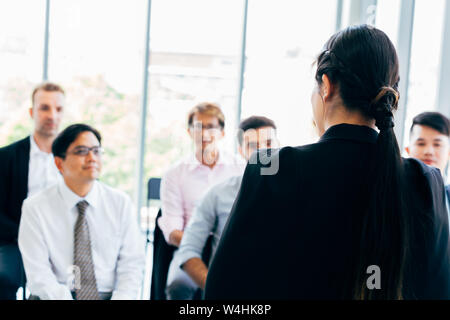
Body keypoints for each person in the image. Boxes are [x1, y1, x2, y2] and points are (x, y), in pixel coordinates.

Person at [204, 25, 450, 300]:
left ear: (326, 86)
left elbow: (223, 290)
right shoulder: (425, 181)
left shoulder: (270, 169)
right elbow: (438, 289)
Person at [18, 124, 145, 300]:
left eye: (96, 151)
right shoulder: (35, 208)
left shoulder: (120, 203)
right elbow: (39, 276)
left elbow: (132, 265)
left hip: (108, 295)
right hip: (55, 296)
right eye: (82, 151)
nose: (92, 158)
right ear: (59, 163)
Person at [175, 116, 278, 298]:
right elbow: (188, 251)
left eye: (268, 143)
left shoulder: (297, 192)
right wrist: (217, 288)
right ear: (241, 151)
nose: (263, 151)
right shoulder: (217, 194)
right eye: (253, 146)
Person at [159, 102, 245, 300]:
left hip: (229, 249)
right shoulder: (175, 174)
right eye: (198, 127)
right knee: (177, 284)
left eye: (211, 127)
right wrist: (197, 242)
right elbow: (172, 229)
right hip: (190, 247)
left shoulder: (241, 169)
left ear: (222, 132)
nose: (204, 133)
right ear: (189, 132)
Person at [0, 82, 65, 300]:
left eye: (58, 109)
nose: (52, 115)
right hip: (16, 240)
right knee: (3, 276)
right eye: (44, 108)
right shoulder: (6, 157)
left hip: (62, 243)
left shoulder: (74, 160)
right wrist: (27, 236)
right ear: (31, 112)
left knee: (86, 278)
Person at [406, 111, 450, 197]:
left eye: (437, 144)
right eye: (421, 144)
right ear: (408, 150)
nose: (429, 152)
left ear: (448, 153)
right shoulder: (393, 190)